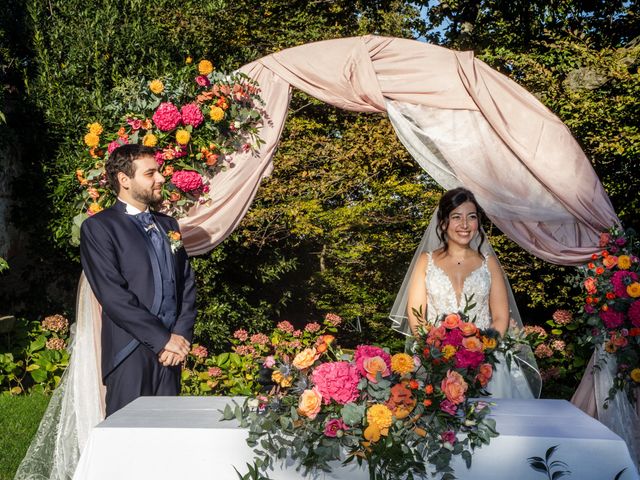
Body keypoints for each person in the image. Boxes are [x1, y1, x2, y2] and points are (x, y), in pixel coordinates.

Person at [80, 143, 196, 416]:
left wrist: (179, 335)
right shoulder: (99, 228)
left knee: (168, 433)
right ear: (124, 180)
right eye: (150, 173)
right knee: (126, 439)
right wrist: (162, 338)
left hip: (171, 352)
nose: (161, 179)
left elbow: (186, 284)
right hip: (129, 351)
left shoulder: (169, 225)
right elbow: (112, 296)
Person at [390, 187, 540, 398]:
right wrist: (437, 353)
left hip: (487, 365)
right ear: (443, 223)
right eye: (456, 217)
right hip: (435, 363)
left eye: (471, 217)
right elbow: (416, 316)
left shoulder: (490, 264)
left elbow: (500, 317)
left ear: (478, 223)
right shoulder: (426, 261)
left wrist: (481, 352)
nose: (464, 225)